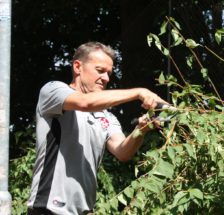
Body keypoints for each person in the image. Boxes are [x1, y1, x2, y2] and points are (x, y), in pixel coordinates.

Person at [27, 42, 166, 215]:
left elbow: (123, 152)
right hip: (48, 208)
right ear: (78, 67)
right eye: (100, 70)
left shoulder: (106, 116)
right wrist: (139, 92)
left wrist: (141, 129)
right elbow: (85, 103)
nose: (106, 78)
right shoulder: (54, 91)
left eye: (108, 73)